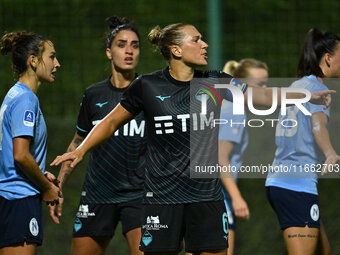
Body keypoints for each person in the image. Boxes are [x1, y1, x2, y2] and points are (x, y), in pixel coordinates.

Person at [50, 23, 333, 255]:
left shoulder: (215, 81)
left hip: (206, 199)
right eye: (196, 40)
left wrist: (306, 95)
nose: (204, 44)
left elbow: (261, 97)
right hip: (162, 200)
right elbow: (110, 121)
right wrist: (81, 150)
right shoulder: (147, 85)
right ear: (176, 50)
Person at [50, 16, 146, 255]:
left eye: (135, 45)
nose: (129, 51)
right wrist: (58, 187)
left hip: (140, 195)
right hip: (98, 193)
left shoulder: (150, 90)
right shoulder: (94, 94)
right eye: (121, 44)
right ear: (108, 52)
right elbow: (78, 141)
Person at [265, 28, 340, 255]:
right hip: (296, 185)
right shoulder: (317, 88)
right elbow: (319, 125)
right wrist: (330, 153)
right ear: (328, 58)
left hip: (284, 181)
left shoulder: (297, 86)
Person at [0, 31, 61, 255]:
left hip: (11, 196)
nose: (57, 64)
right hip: (19, 199)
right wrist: (46, 188)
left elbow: (11, 155)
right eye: (52, 57)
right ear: (33, 61)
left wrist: (41, 173)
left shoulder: (13, 95)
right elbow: (20, 155)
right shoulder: (26, 99)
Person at [219, 58, 268, 255]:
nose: (265, 90)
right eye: (260, 84)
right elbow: (220, 158)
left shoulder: (225, 105)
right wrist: (237, 198)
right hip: (218, 198)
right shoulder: (234, 110)